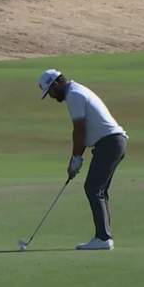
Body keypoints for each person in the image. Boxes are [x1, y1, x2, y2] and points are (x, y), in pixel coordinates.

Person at [38, 69, 127, 250]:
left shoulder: (74, 95)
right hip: (113, 142)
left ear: (55, 84)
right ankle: (104, 236)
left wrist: (76, 159)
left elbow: (79, 130)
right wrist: (77, 158)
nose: (51, 97)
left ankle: (103, 238)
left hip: (109, 143)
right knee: (99, 190)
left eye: (50, 92)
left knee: (93, 188)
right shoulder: (76, 91)